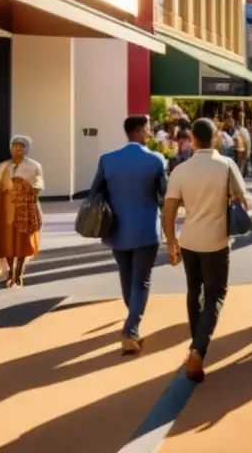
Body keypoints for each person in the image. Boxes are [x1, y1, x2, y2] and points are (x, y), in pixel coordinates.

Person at [163, 118, 248, 382]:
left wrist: (171, 242)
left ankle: (195, 346)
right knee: (215, 294)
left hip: (189, 239)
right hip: (217, 240)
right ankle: (198, 350)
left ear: (192, 138)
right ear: (215, 138)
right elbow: (243, 199)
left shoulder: (180, 170)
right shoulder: (226, 164)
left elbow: (168, 210)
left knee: (194, 291)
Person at [90, 115, 168, 355]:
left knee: (126, 275)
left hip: (116, 229)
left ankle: (132, 318)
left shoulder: (108, 159)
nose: (149, 133)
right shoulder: (155, 159)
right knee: (141, 280)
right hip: (146, 228)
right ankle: (131, 329)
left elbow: (95, 193)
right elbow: (164, 195)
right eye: (148, 129)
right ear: (139, 130)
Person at [0, 135, 44, 288]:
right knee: (7, 241)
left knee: (23, 241)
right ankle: (11, 272)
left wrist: (27, 189)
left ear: (27, 149)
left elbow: (38, 185)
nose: (18, 149)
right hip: (5, 208)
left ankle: (19, 271)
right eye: (15, 146)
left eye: (22, 147)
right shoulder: (2, 166)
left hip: (25, 208)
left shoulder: (34, 166)